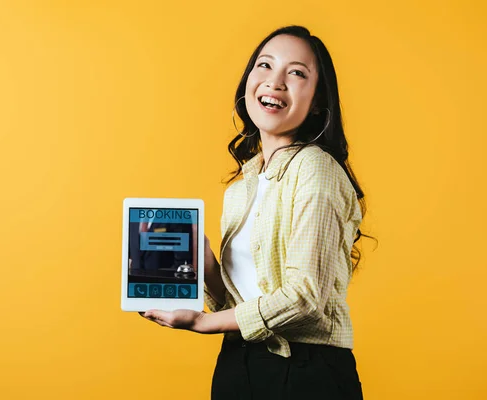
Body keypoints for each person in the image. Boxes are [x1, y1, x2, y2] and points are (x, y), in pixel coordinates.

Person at [141, 25, 369, 399]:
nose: (275, 82)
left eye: (296, 73)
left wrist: (202, 321)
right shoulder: (241, 186)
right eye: (265, 65)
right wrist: (201, 257)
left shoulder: (316, 168)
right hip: (239, 365)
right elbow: (241, 303)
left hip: (306, 373)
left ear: (316, 101)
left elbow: (304, 299)